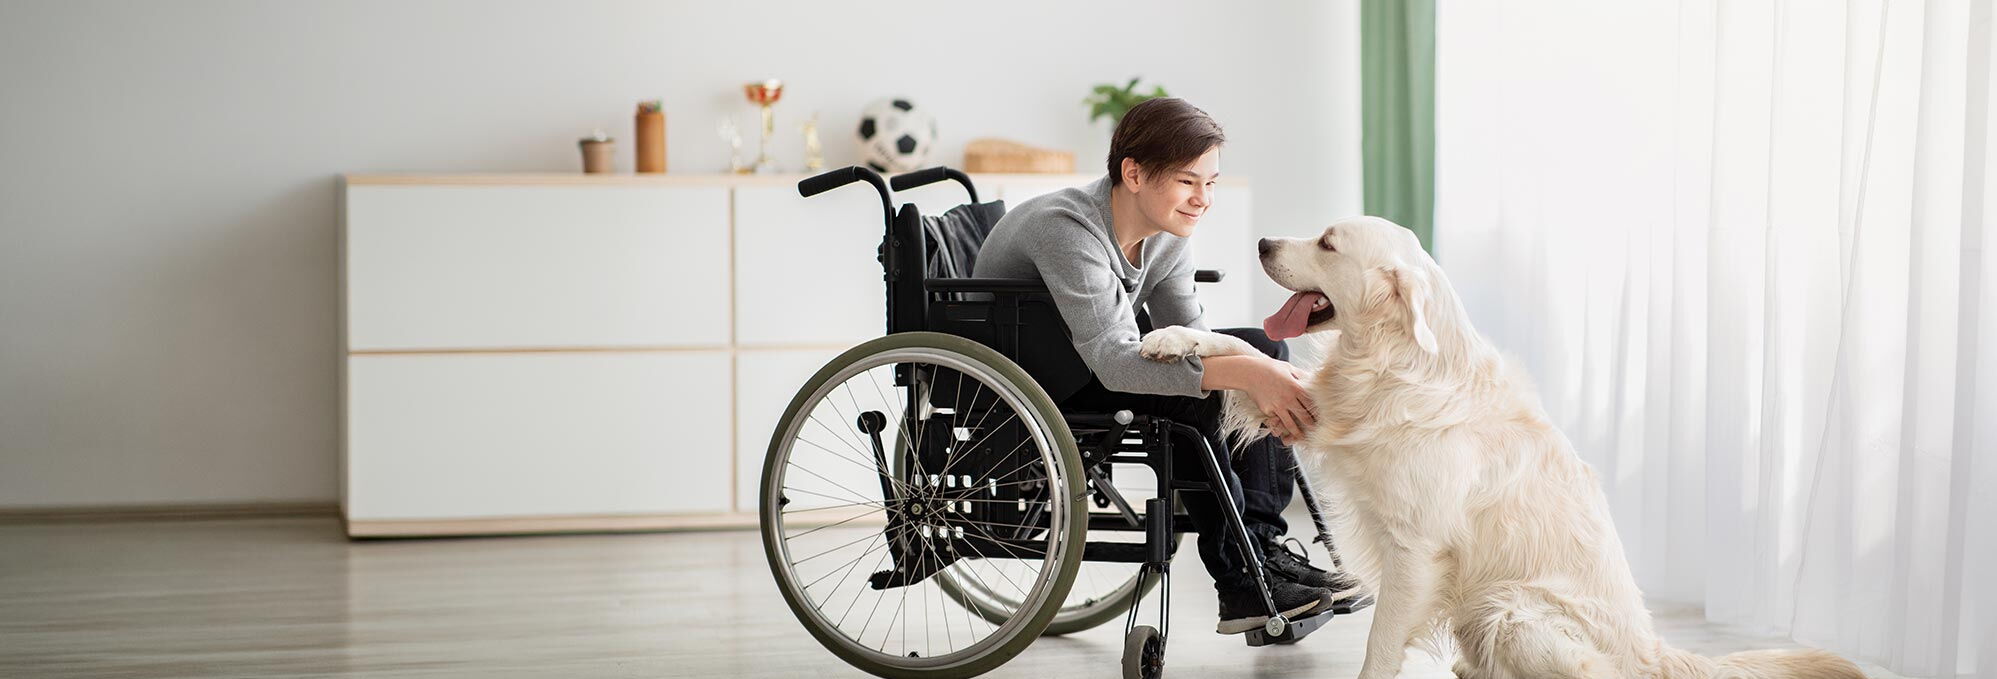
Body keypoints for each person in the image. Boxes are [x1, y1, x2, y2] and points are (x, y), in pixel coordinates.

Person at [972, 97, 1355, 634]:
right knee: (1191, 394)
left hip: (1088, 363)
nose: (1203, 200)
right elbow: (1114, 363)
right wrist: (1246, 376)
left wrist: (1254, 364)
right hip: (1035, 382)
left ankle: (1263, 548)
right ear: (1133, 173)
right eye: (1187, 181)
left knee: (1261, 348)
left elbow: (1194, 339)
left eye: (1212, 183)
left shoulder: (1166, 237)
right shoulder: (1065, 228)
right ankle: (1239, 578)